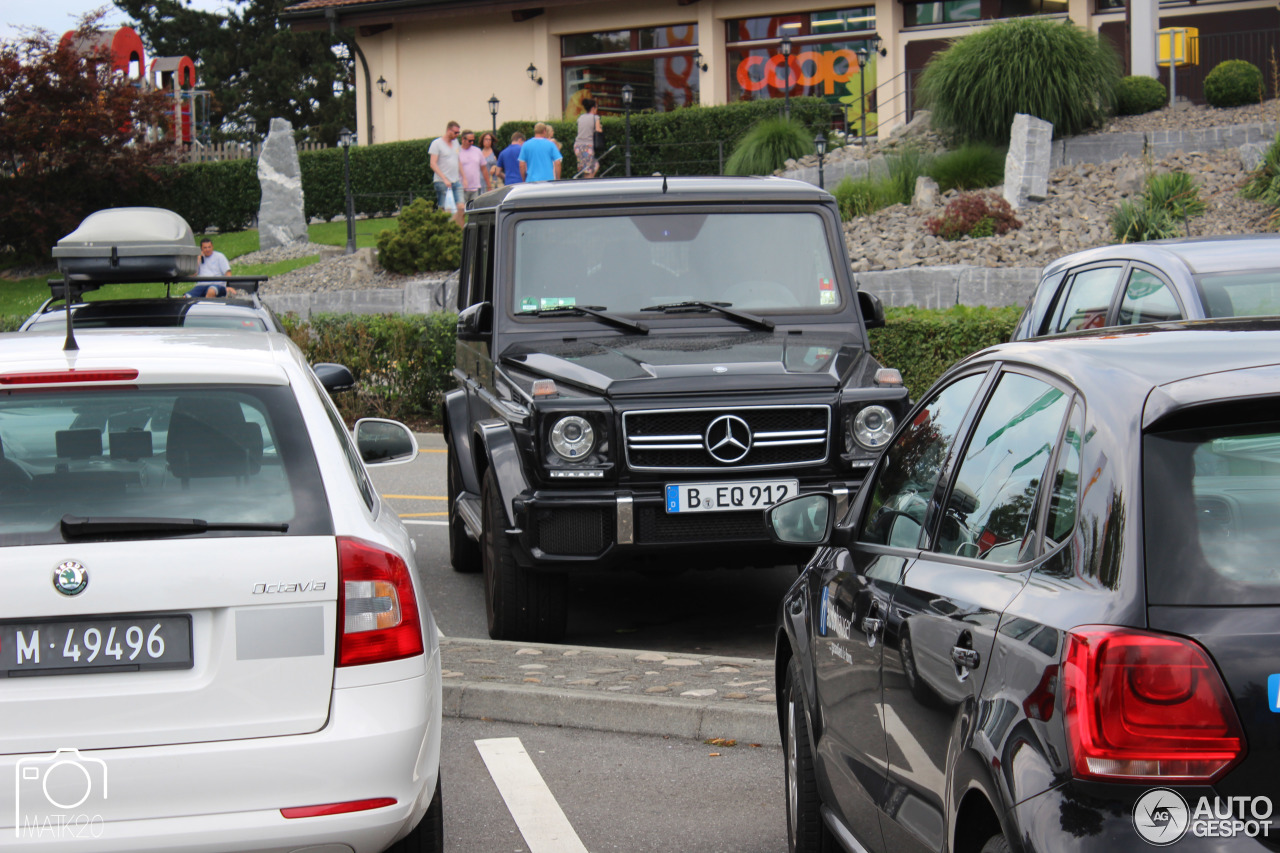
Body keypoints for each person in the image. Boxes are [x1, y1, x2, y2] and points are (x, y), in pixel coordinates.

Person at [429, 121, 465, 227]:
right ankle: (446, 231)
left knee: (461, 207)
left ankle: (459, 232)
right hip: (441, 182)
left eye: (458, 132)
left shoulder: (456, 143)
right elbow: (433, 163)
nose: (457, 135)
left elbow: (458, 160)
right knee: (446, 209)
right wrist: (444, 179)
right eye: (455, 132)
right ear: (449, 131)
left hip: (455, 181)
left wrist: (464, 177)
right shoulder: (436, 144)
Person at [457, 129, 492, 205]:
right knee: (461, 210)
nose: (472, 143)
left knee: (474, 210)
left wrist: (488, 185)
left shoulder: (477, 151)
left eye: (473, 140)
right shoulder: (457, 151)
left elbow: (484, 169)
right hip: (461, 188)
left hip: (476, 188)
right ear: (463, 139)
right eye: (470, 141)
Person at [574, 98, 603, 179]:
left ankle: (587, 182)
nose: (597, 110)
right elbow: (598, 130)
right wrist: (600, 128)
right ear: (593, 108)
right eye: (596, 108)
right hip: (587, 146)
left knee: (591, 167)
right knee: (589, 169)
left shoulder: (580, 118)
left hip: (578, 146)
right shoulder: (595, 117)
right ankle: (587, 185)